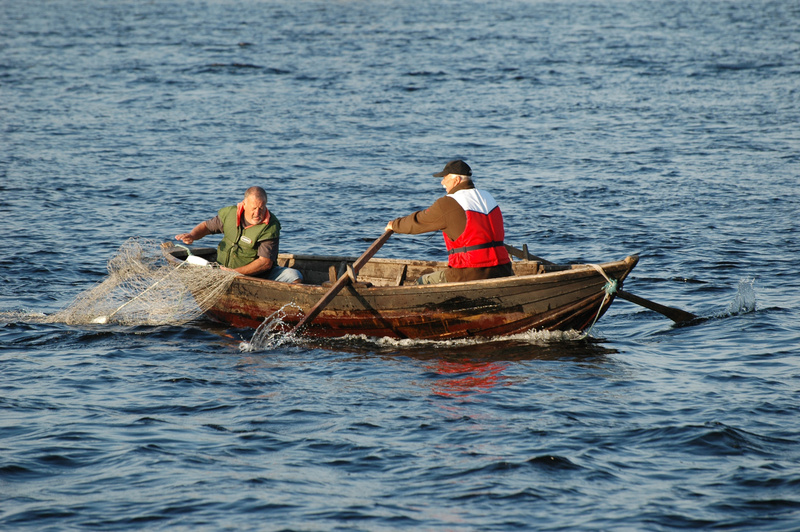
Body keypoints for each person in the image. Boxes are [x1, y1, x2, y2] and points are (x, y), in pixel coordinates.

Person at [385, 160, 513, 284]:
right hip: (504, 269)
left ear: (456, 180)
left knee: (421, 282)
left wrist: (394, 225)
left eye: (445, 178)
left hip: (469, 273)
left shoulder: (448, 202)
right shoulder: (487, 196)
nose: (442, 182)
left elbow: (419, 222)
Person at [175, 186, 303, 283]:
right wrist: (192, 235)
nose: (258, 213)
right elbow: (207, 227)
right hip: (223, 269)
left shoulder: (270, 226)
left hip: (258, 276)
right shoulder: (230, 214)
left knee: (294, 275)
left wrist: (235, 273)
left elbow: (265, 263)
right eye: (254, 208)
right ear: (244, 204)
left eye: (262, 208)